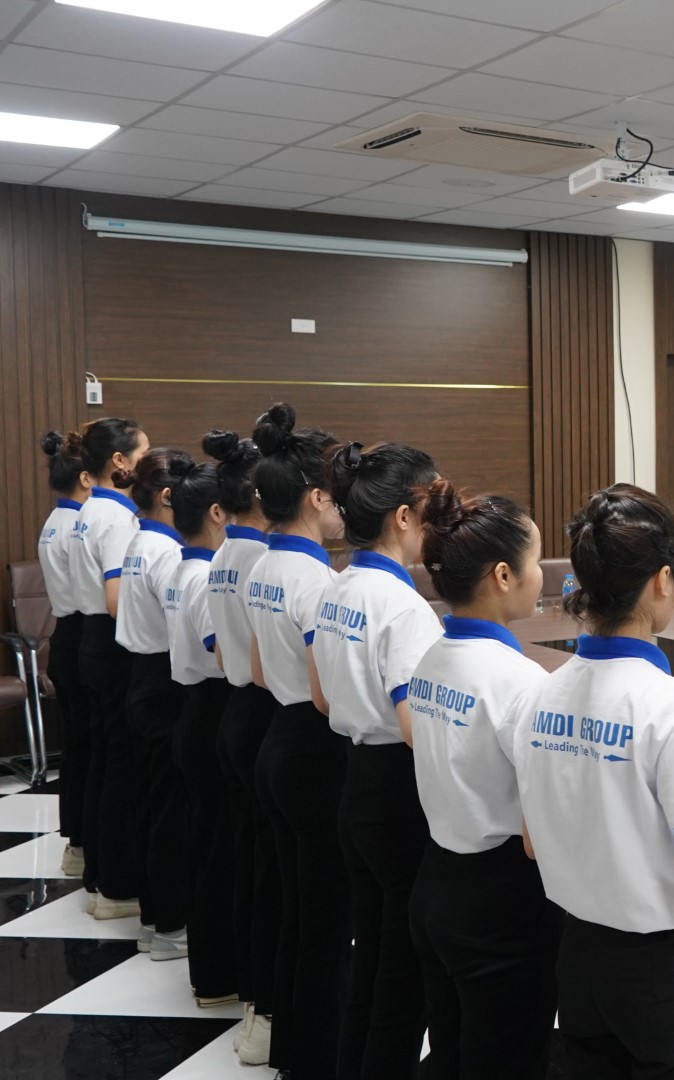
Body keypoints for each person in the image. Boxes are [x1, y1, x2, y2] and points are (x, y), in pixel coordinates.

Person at [517, 485, 674, 1080]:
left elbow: (534, 843)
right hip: (669, 972)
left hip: (580, 958)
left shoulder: (540, 694)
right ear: (662, 581)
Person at [409, 483, 562, 1080]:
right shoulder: (518, 681)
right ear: (503, 575)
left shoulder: (431, 658)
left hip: (437, 883)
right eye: (536, 560)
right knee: (507, 1060)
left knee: (452, 1052)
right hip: (501, 905)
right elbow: (539, 832)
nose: (542, 575)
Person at [313, 441, 442, 1080]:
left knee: (368, 961)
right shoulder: (402, 606)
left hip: (355, 780)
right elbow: (418, 729)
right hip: (397, 793)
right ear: (403, 516)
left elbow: (320, 696)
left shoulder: (337, 586)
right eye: (431, 509)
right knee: (402, 974)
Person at [245, 403, 344, 1079]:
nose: (342, 509)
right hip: (314, 750)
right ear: (314, 498)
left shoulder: (262, 565)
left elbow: (258, 671)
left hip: (276, 738)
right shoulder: (315, 579)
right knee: (325, 918)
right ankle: (315, 1059)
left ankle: (288, 1048)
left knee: (295, 907)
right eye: (335, 495)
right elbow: (326, 693)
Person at [201, 429, 279, 1063]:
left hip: (235, 711)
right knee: (272, 874)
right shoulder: (262, 560)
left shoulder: (225, 553)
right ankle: (266, 1010)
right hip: (263, 712)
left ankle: (252, 1000)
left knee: (252, 861)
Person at [162, 459, 238, 1004]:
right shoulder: (206, 577)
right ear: (216, 513)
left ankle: (210, 970)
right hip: (212, 709)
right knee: (217, 849)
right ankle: (217, 975)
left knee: (205, 840)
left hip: (193, 711)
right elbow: (225, 654)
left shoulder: (179, 569)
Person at [68, 418, 149, 921]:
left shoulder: (87, 510)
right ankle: (117, 885)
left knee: (103, 758)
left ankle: (99, 875)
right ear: (119, 461)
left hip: (90, 638)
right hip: (112, 642)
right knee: (120, 765)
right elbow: (118, 600)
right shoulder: (117, 517)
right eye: (142, 453)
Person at [116, 449, 194, 958]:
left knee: (150, 801)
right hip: (164, 682)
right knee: (168, 809)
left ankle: (153, 917)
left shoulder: (139, 541)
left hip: (141, 678)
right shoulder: (166, 552)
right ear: (168, 496)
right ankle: (170, 925)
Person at [36, 432, 91, 878]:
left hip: (65, 636)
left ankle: (77, 843)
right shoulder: (79, 526)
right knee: (90, 748)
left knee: (77, 747)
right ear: (86, 477)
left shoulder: (56, 520)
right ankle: (86, 842)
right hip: (81, 635)